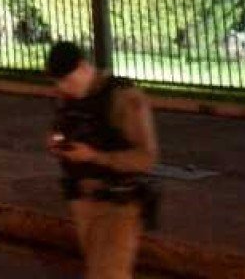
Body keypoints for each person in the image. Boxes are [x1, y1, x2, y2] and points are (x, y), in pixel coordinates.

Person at [45, 42, 160, 279]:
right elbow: (61, 129)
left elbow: (146, 158)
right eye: (59, 82)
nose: (63, 88)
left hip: (118, 205)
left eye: (68, 80)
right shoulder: (69, 97)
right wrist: (57, 144)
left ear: (84, 67)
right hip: (83, 202)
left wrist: (95, 156)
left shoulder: (123, 97)